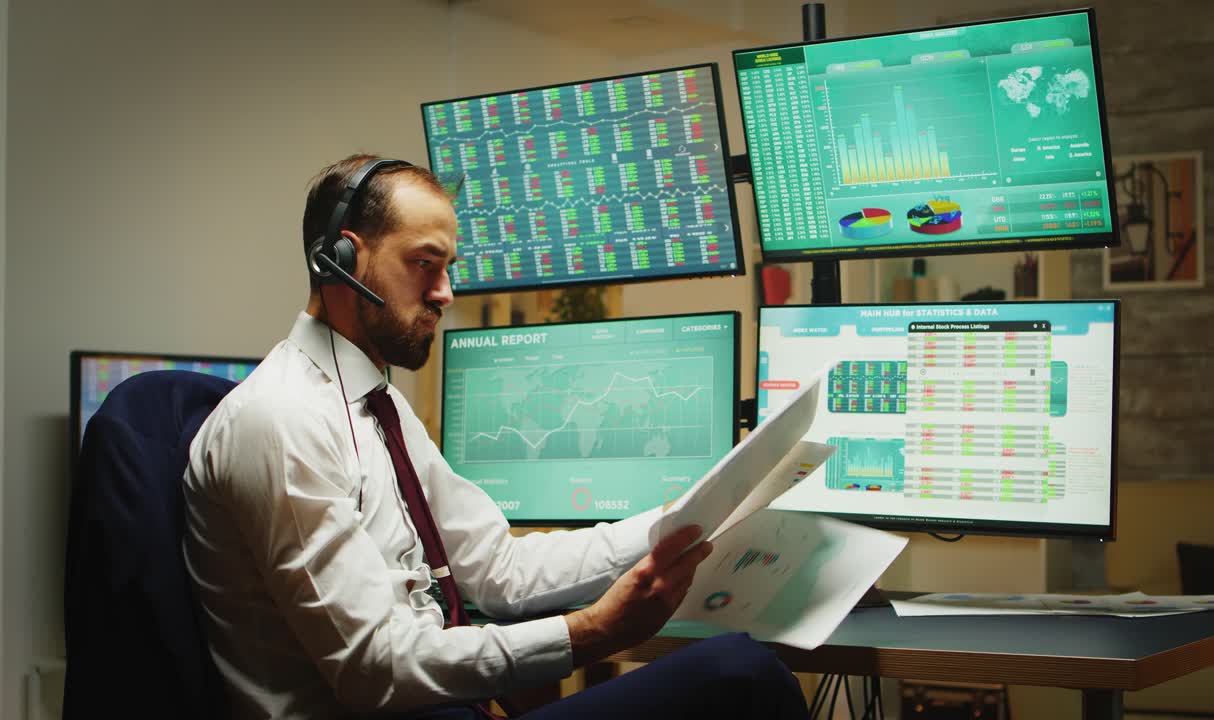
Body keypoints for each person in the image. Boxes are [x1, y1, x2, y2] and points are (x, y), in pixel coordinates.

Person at [182, 154, 807, 719]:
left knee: (737, 670)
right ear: (342, 261)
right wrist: (592, 631)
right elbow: (374, 670)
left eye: (447, 268)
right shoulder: (281, 421)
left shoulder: (376, 406)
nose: (445, 293)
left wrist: (674, 524)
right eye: (424, 264)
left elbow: (496, 571)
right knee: (740, 674)